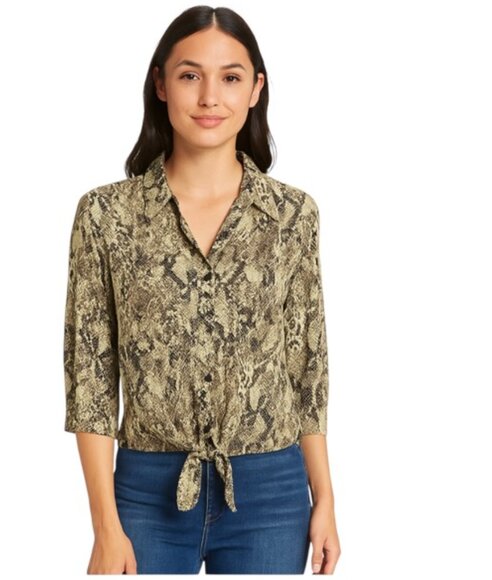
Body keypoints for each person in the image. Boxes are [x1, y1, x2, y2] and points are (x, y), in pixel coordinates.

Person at [63, 5, 341, 575]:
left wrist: (326, 500)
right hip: (146, 493)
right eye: (190, 75)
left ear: (256, 89)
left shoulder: (292, 216)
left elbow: (306, 367)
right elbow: (90, 380)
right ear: (161, 84)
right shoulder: (106, 216)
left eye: (230, 77)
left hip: (271, 492)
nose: (210, 97)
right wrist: (105, 527)